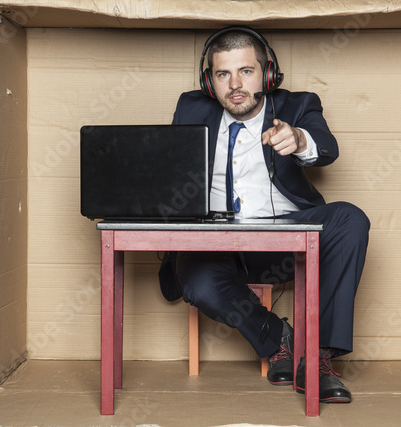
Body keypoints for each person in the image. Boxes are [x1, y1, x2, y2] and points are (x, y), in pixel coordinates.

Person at [158, 26, 370, 403]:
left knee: (349, 218)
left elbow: (326, 147)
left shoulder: (297, 104)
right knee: (197, 279)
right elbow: (172, 171)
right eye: (223, 74)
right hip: (217, 240)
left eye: (247, 71)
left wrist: (300, 139)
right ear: (210, 81)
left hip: (287, 237)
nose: (235, 84)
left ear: (268, 73)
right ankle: (282, 340)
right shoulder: (191, 107)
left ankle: (317, 359)